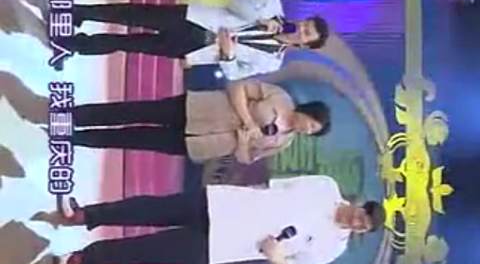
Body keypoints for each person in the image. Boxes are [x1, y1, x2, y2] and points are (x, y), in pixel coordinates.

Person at [35, 176, 386, 264]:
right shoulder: (326, 186)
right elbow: (277, 184)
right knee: (147, 207)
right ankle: (87, 215)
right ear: (360, 205)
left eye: (362, 228)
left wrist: (277, 256)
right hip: (222, 202)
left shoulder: (333, 247)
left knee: (145, 251)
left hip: (225, 243)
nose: (356, 224)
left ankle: (85, 259)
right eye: (361, 217)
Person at [56, 0, 329, 79]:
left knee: (131, 44)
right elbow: (234, 1)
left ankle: (75, 44)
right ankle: (81, 12)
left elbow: (234, 74)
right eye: (305, 24)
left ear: (304, 45)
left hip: (196, 48)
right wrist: (261, 18)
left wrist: (228, 55)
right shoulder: (273, 7)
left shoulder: (272, 62)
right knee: (133, 14)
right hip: (192, 18)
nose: (301, 29)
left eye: (306, 34)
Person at [66, 83, 331, 164]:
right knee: (137, 112)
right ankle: (76, 116)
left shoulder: (284, 141)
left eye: (311, 132)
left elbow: (246, 159)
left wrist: (242, 143)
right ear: (307, 112)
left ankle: (77, 140)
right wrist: (248, 120)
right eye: (311, 124)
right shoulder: (280, 97)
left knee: (136, 140)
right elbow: (238, 88)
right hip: (199, 109)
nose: (306, 130)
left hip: (202, 144)